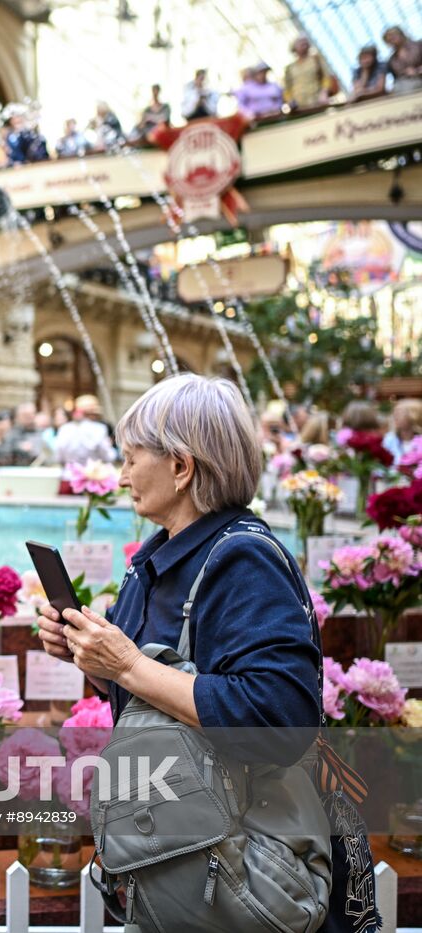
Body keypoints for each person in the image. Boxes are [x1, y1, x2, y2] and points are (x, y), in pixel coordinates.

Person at [33, 374, 349, 927]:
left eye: (132, 458)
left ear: (181, 467)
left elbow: (280, 719)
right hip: (179, 857)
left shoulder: (243, 559)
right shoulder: (156, 559)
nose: (123, 474)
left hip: (237, 866)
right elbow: (152, 700)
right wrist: (88, 655)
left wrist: (128, 664)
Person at [54, 394, 116, 467]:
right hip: (92, 475)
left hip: (69, 474)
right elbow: (108, 456)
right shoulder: (99, 429)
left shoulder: (64, 429)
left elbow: (58, 456)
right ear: (94, 414)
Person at [284, 37, 331, 108]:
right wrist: (290, 101)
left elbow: (326, 77)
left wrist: (324, 93)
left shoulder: (316, 59)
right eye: (300, 43)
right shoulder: (290, 68)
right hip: (299, 106)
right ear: (294, 47)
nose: (304, 44)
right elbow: (287, 88)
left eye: (305, 42)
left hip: (317, 101)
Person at [0, 402, 45, 466]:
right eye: (25, 415)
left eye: (31, 414)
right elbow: (2, 451)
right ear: (19, 416)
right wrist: (19, 447)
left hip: (39, 472)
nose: (29, 417)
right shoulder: (12, 434)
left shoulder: (42, 433)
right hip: (18, 471)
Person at [383, 26, 422, 94]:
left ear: (401, 34)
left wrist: (417, 71)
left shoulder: (418, 46)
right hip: (404, 84)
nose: (391, 39)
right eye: (388, 38)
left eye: (393, 35)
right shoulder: (392, 60)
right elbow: (396, 77)